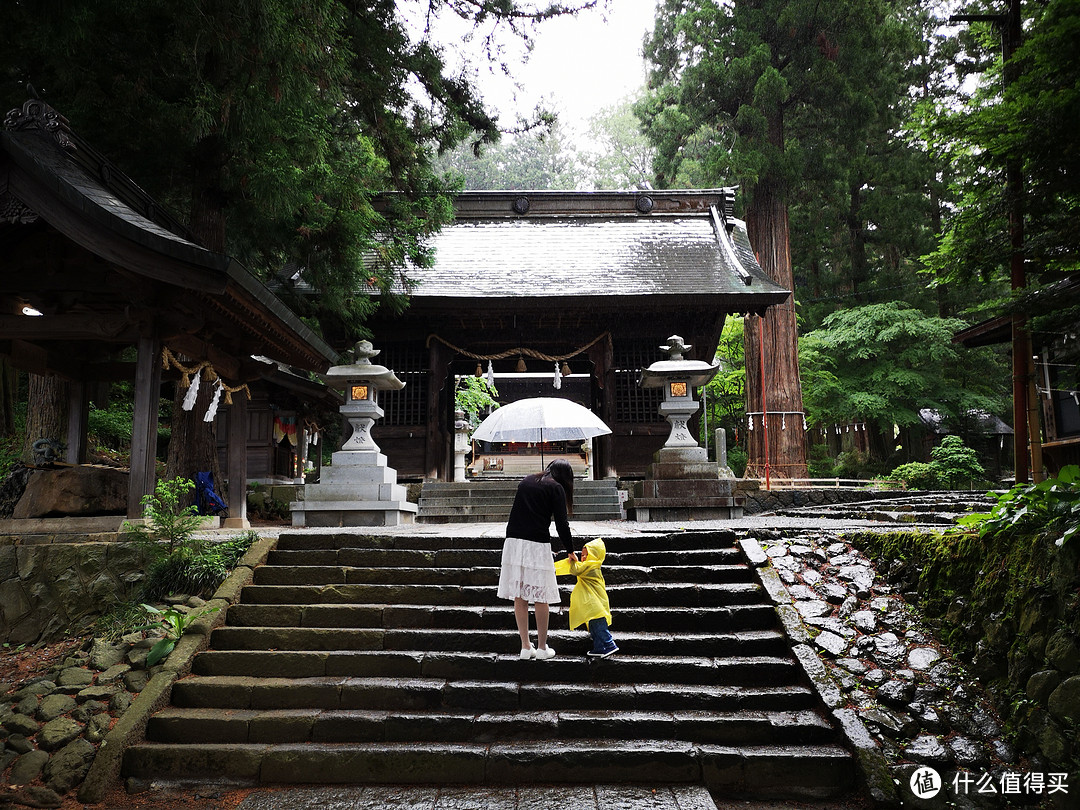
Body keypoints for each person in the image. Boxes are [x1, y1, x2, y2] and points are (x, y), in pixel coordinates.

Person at [497, 458, 577, 660]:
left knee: (520, 595)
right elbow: (562, 525)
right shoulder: (556, 488)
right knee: (541, 596)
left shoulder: (526, 481)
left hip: (513, 541)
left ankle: (525, 646)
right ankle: (542, 648)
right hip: (537, 543)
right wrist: (570, 550)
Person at [554, 537, 618, 658]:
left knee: (599, 626)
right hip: (594, 602)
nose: (583, 558)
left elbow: (575, 570)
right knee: (593, 626)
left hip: (595, 602)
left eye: (586, 555)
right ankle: (599, 648)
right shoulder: (592, 565)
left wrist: (573, 560)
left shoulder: (591, 565)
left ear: (594, 556)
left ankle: (610, 644)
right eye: (582, 555)